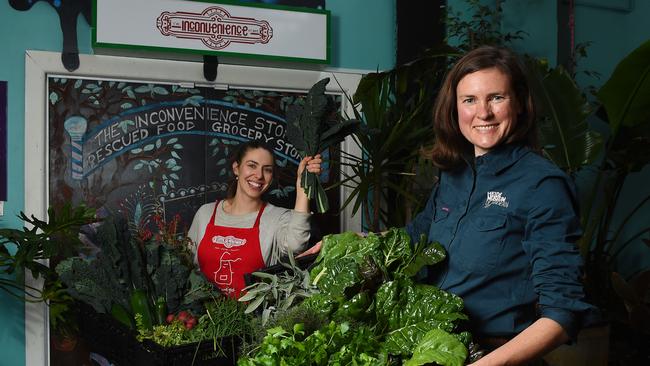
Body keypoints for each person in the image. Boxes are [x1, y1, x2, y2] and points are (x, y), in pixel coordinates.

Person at [403, 46, 597, 365]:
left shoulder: (543, 185)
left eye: (496, 97)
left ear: (519, 103)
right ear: (454, 109)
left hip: (494, 354)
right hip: (434, 348)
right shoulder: (454, 174)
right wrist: (355, 246)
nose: (484, 113)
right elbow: (416, 238)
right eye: (470, 100)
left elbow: (563, 314)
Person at [187, 140, 321, 298]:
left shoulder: (277, 218)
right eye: (252, 165)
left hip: (252, 320)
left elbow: (296, 245)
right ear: (236, 168)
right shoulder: (205, 214)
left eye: (267, 170)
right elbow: (187, 266)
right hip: (202, 317)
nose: (259, 175)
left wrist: (303, 186)